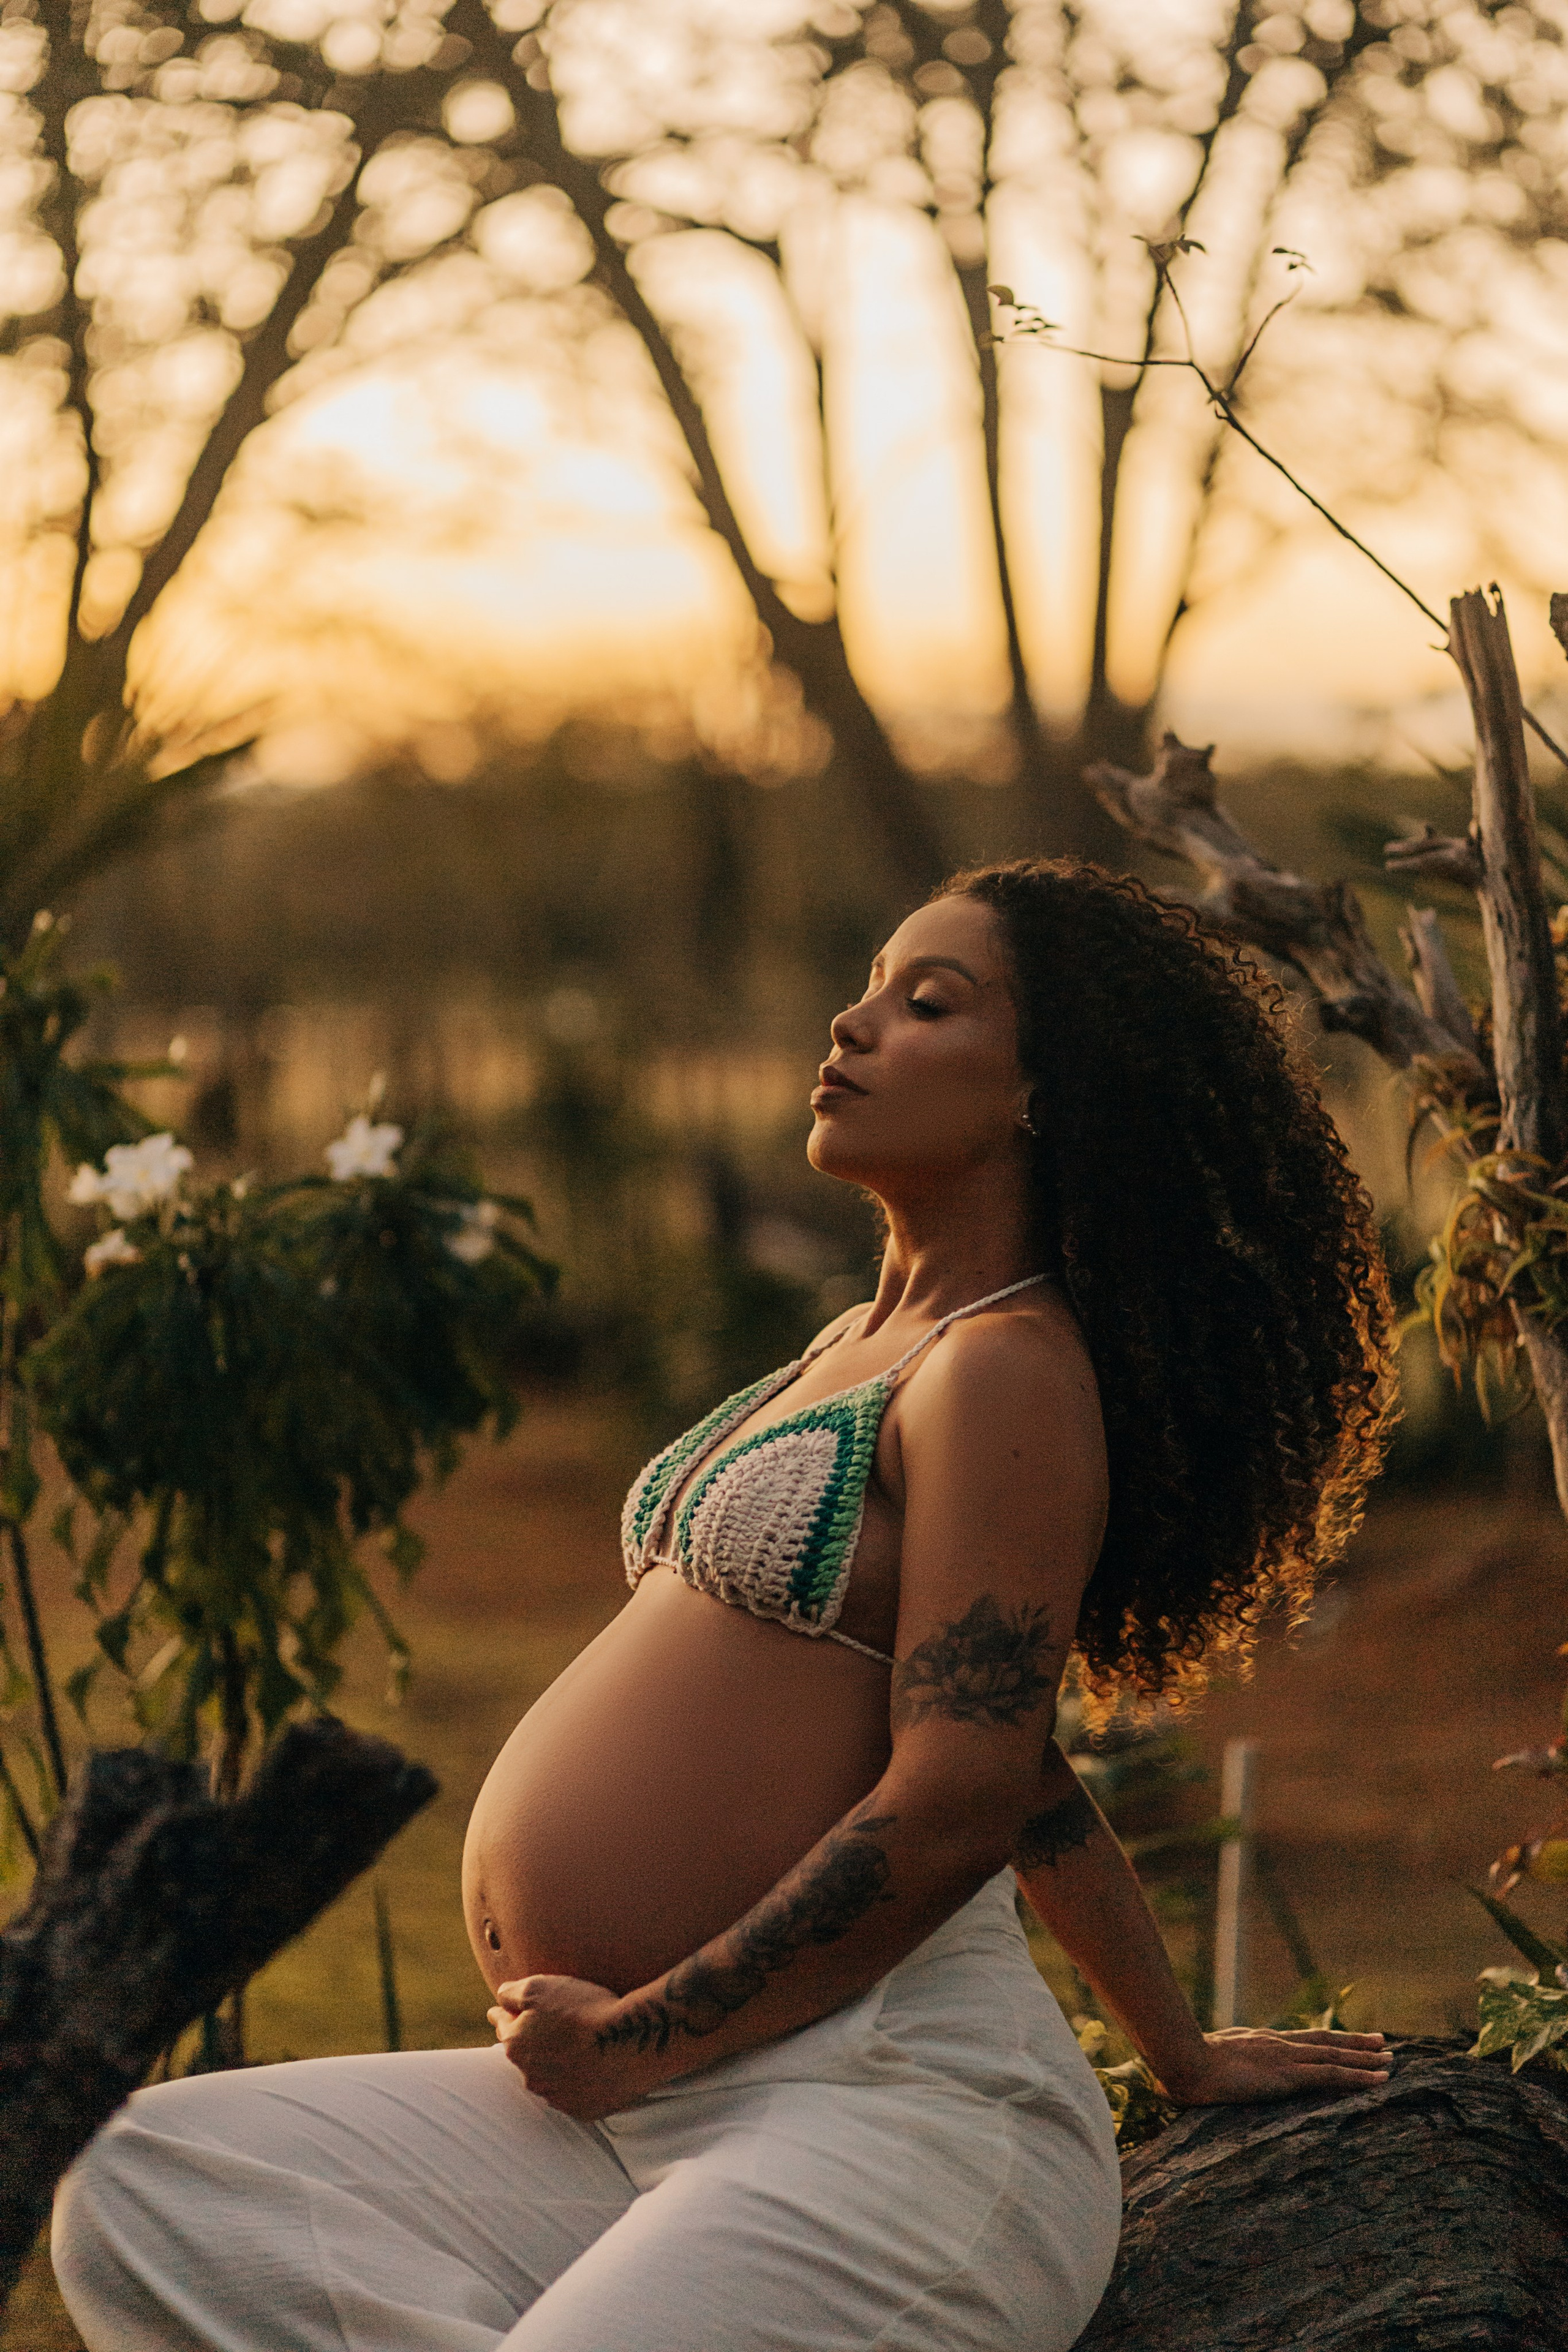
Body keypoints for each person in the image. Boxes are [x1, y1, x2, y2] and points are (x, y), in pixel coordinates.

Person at [54, 859, 1398, 2352]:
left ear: (1041, 1093)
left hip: (883, 2125)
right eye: (871, 985)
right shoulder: (858, 1339)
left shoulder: (1003, 1369)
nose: (852, 1020)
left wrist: (636, 2037)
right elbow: (1021, 1769)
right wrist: (1179, 2045)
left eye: (925, 1002)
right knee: (148, 2179)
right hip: (634, 2115)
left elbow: (957, 1797)